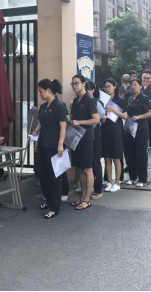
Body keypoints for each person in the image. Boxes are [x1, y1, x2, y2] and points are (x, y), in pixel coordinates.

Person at [30, 79, 67, 219]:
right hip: (43, 144)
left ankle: (54, 208)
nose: (39, 94)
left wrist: (60, 144)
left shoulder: (59, 106)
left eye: (41, 91)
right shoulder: (43, 106)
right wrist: (36, 132)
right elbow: (42, 122)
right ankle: (49, 200)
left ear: (48, 90)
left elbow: (63, 126)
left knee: (55, 176)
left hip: (54, 146)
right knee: (42, 173)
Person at [69, 75, 100, 210]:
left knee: (87, 169)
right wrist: (70, 117)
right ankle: (82, 196)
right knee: (80, 168)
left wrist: (80, 122)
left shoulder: (89, 99)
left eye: (77, 83)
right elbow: (75, 117)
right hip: (76, 138)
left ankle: (87, 199)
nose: (75, 86)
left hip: (86, 138)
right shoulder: (76, 100)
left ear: (83, 84)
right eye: (73, 84)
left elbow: (96, 119)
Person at [124, 78, 151, 187]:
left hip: (141, 128)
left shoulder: (144, 98)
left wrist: (139, 116)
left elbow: (150, 112)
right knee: (131, 153)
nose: (133, 87)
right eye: (132, 85)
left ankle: (142, 179)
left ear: (140, 86)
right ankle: (132, 177)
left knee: (141, 153)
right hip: (131, 128)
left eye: (135, 85)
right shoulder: (130, 98)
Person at [101, 78, 128, 192]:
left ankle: (117, 182)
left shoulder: (120, 101)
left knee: (116, 158)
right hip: (105, 130)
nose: (107, 89)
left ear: (114, 87)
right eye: (106, 87)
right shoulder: (102, 101)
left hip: (116, 131)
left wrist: (113, 110)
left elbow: (125, 116)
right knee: (107, 158)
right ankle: (109, 181)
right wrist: (102, 119)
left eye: (109, 86)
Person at [86, 81, 103, 199]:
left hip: (95, 134)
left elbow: (101, 117)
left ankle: (98, 189)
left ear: (93, 90)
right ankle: (88, 187)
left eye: (88, 89)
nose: (86, 91)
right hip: (85, 135)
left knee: (96, 161)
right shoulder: (79, 101)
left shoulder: (96, 102)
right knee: (87, 162)